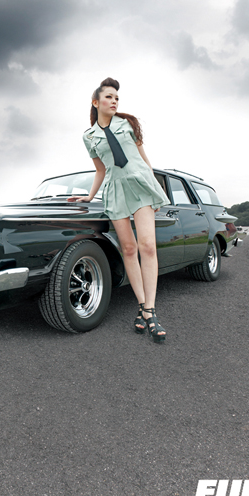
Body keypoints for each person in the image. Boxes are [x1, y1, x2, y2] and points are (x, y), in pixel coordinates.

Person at [68, 77, 171, 342]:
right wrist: (89, 196)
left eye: (117, 98)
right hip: (115, 191)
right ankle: (142, 306)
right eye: (109, 97)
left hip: (140, 184)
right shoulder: (89, 136)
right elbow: (100, 170)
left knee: (148, 246)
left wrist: (154, 188)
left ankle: (150, 311)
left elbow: (144, 159)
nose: (114, 101)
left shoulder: (128, 124)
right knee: (128, 249)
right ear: (96, 102)